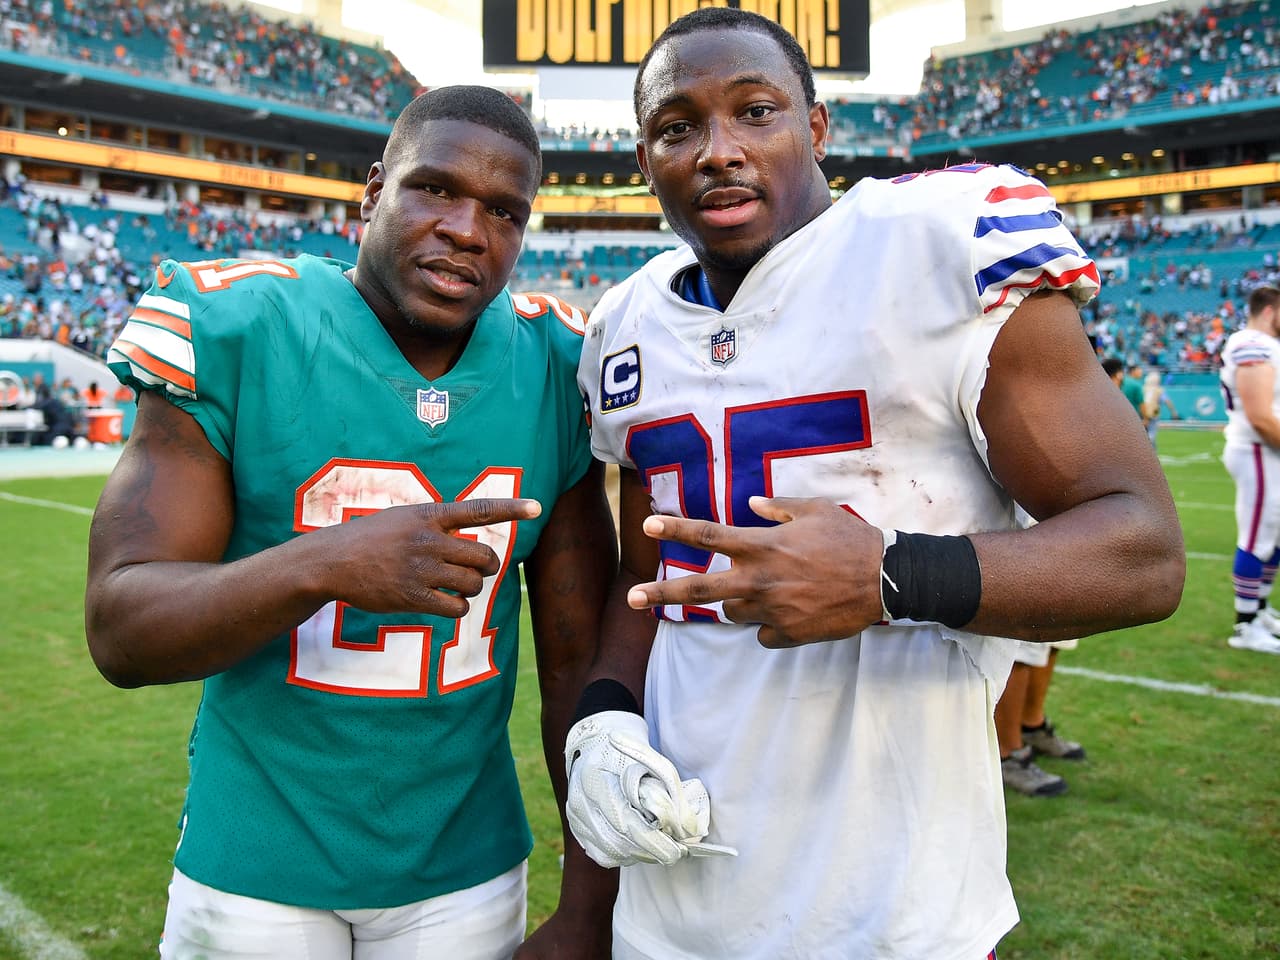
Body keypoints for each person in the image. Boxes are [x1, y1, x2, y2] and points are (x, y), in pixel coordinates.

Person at [563, 10, 1184, 959]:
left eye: (756, 111)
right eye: (678, 127)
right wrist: (606, 710)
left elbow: (1142, 551)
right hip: (673, 896)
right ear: (644, 159)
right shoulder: (625, 320)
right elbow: (650, 572)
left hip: (893, 907)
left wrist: (892, 575)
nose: (718, 150)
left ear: (816, 128)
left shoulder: (938, 244)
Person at [85, 86, 616, 959]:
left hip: (464, 864)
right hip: (256, 857)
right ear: (373, 193)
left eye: (504, 211)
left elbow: (576, 666)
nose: (467, 230)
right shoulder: (241, 324)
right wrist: (320, 564)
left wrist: (590, 904)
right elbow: (121, 631)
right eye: (435, 188)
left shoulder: (555, 364)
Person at [1219, 284, 1280, 654]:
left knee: (1273, 536)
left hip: (1268, 451)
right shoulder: (1252, 343)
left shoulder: (1265, 345)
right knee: (1256, 536)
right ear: (1270, 310)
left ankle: (1259, 609)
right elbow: (1259, 414)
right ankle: (1245, 625)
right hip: (1257, 448)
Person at [1141, 369, 1177, 444]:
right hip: (1153, 413)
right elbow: (1167, 401)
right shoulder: (1159, 390)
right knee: (1151, 435)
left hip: (1143, 413)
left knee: (1143, 435)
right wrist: (1173, 412)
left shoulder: (1143, 388)